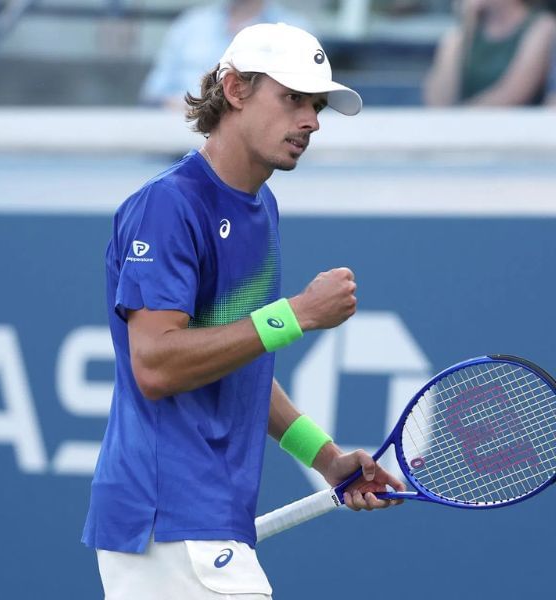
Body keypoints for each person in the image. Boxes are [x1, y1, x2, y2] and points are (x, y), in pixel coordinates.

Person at [83, 23, 405, 599]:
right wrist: (296, 315)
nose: (310, 120)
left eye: (316, 105)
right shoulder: (168, 206)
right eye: (292, 99)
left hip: (204, 522)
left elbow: (236, 359)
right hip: (168, 519)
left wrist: (326, 457)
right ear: (235, 90)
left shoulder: (261, 209)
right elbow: (155, 365)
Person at [138, 1, 310, 108]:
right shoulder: (190, 24)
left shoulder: (296, 31)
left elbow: (300, 103)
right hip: (179, 146)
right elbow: (153, 95)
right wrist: (190, 109)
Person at [424, 0, 556, 106]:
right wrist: (465, 30)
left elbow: (512, 94)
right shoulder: (460, 34)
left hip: (515, 131)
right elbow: (437, 101)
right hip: (464, 128)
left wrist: (459, 121)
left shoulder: (542, 27)